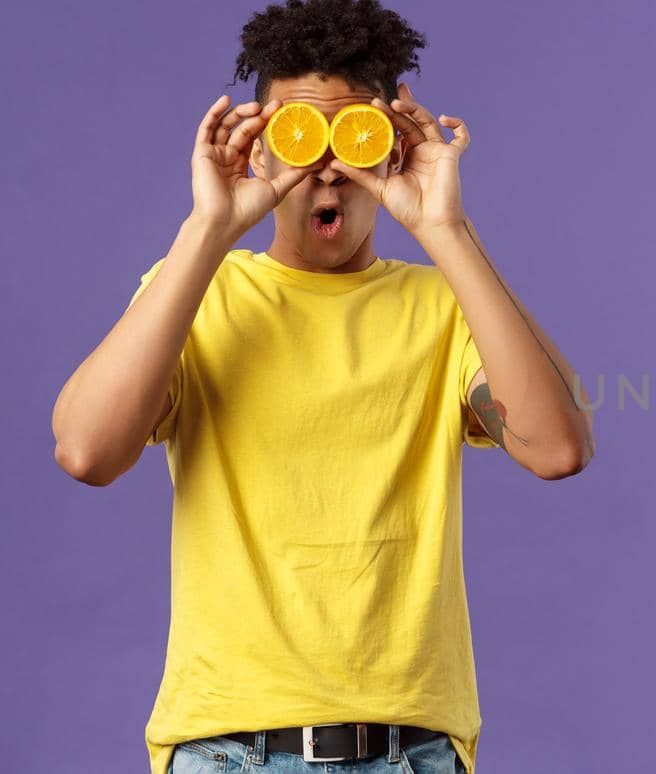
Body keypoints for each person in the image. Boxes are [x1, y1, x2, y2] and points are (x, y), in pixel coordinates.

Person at [48, 1, 596, 772]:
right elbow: (86, 451)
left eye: (352, 138)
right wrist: (207, 230)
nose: (327, 167)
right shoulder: (198, 295)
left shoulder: (443, 310)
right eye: (297, 137)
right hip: (228, 747)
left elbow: (559, 446)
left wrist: (446, 230)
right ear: (260, 149)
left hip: (412, 751)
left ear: (391, 143)